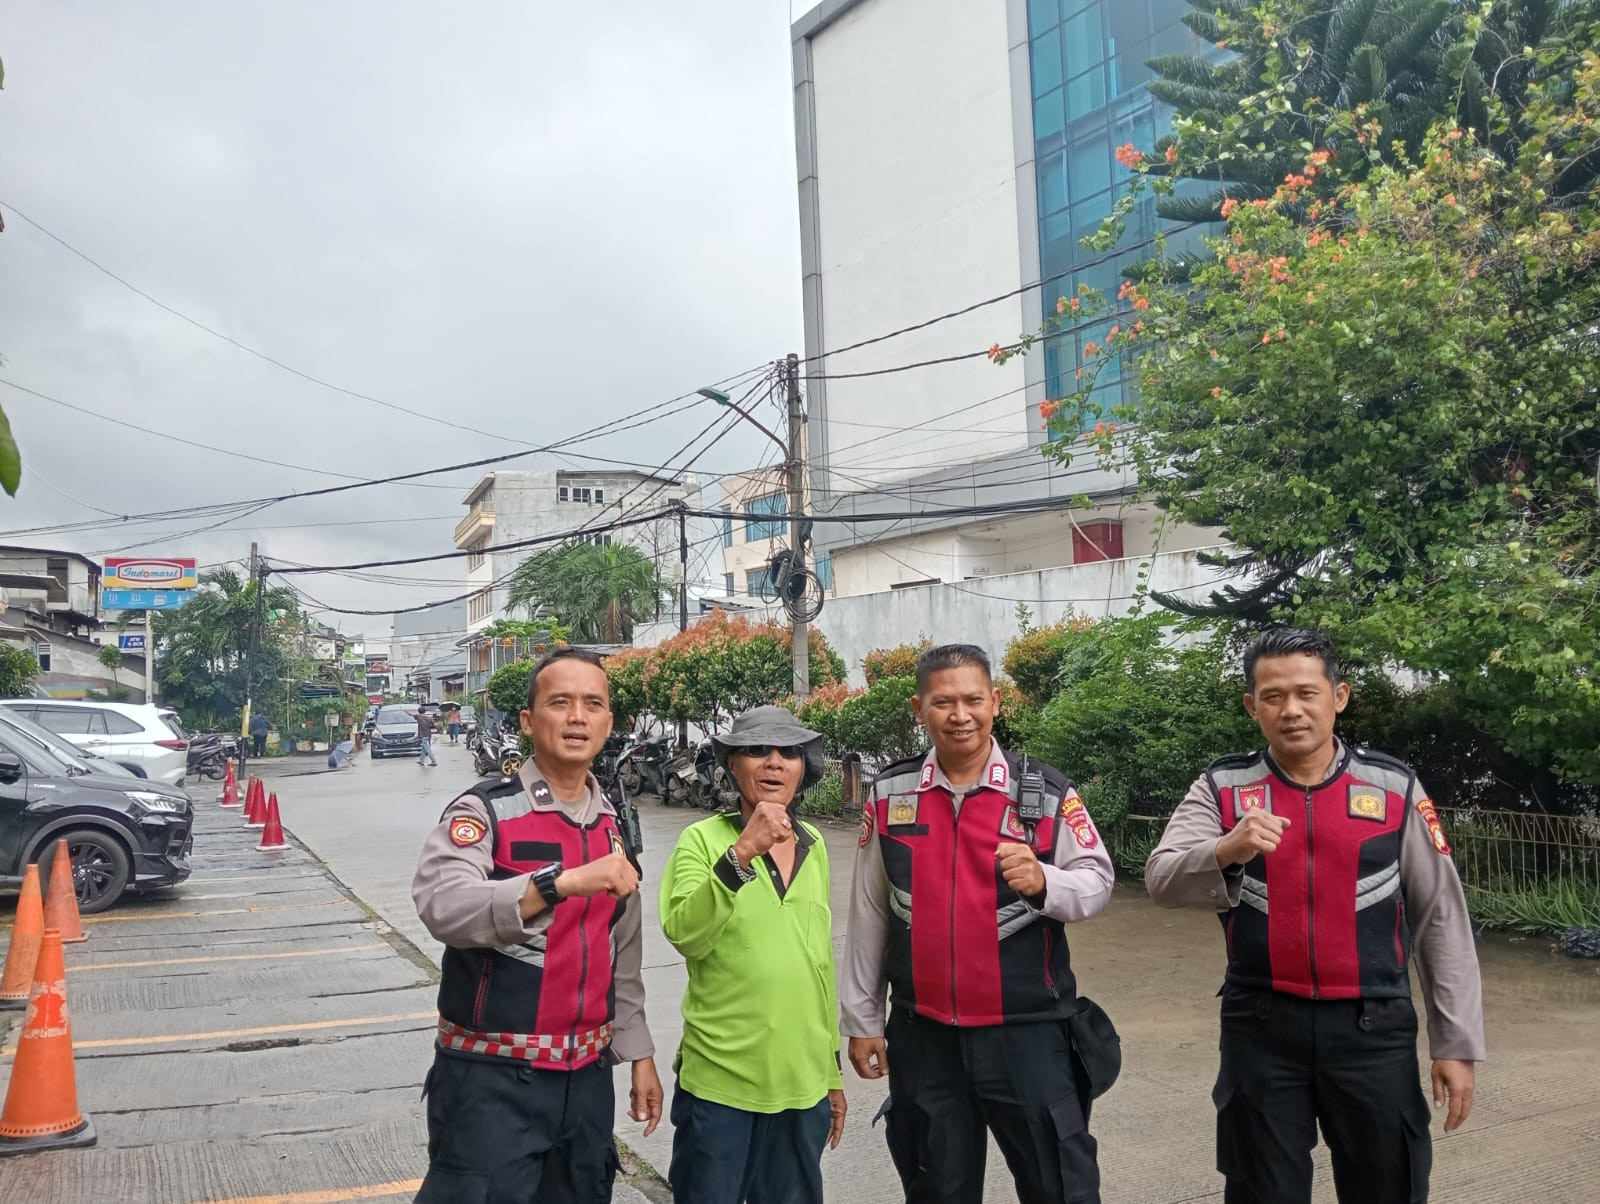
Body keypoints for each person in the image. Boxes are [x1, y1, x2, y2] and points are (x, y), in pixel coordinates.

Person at [1145, 628, 1484, 1204]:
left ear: (1338, 696)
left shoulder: (1394, 787)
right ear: (1252, 706)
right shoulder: (1223, 787)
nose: (1291, 710)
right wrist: (1225, 849)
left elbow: (1441, 919)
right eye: (1273, 696)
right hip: (1261, 1030)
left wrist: (1455, 1043)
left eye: (1307, 693)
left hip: (1373, 1030)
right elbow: (1161, 879)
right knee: (1260, 1190)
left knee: (1388, 1186)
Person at [842, 644, 1115, 1204]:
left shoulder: (1044, 792)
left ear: (995, 702)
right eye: (943, 702)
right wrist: (863, 1019)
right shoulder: (889, 794)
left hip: (1028, 1034)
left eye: (973, 700)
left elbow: (1097, 881)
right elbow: (869, 912)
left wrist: (1045, 881)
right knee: (937, 1189)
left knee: (1061, 1187)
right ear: (920, 709)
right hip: (924, 1037)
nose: (960, 715)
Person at [411, 647, 662, 1202]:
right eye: (560, 702)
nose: (577, 717)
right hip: (491, 1083)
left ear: (609, 722)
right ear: (528, 721)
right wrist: (555, 884)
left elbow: (621, 950)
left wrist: (638, 1052)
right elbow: (442, 904)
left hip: (588, 1081)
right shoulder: (485, 811)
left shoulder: (613, 824)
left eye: (592, 704)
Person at [659, 706, 847, 1204]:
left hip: (803, 1085)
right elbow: (684, 933)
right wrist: (741, 855)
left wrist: (831, 1072)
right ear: (732, 765)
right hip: (721, 1085)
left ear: (803, 768)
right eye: (757, 750)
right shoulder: (702, 841)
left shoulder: (814, 843)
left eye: (789, 752)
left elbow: (819, 964)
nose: (774, 762)